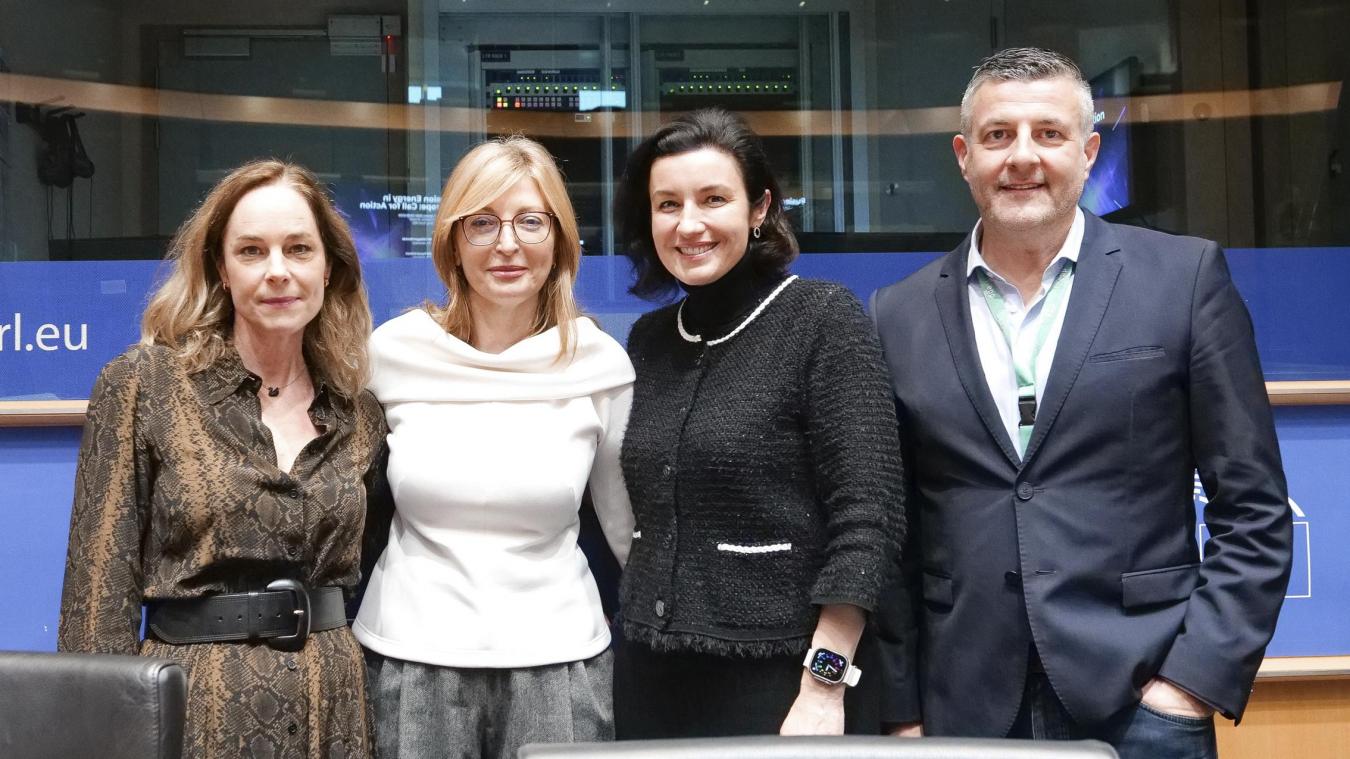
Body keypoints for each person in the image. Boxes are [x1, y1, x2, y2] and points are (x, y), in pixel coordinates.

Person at [871, 48, 1293, 759]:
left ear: (1089, 151)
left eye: (1050, 133)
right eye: (998, 135)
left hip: (1141, 702)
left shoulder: (1183, 279)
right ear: (963, 156)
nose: (1022, 157)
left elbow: (1253, 508)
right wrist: (900, 709)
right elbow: (891, 531)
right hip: (961, 706)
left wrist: (1188, 684)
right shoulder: (897, 313)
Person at [58, 159, 387, 757]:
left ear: (330, 266)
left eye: (299, 249)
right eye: (253, 251)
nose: (278, 272)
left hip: (333, 704)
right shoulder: (145, 385)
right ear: (220, 267)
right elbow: (95, 601)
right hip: (194, 707)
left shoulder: (359, 412)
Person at [612, 107, 904, 738]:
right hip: (651, 675)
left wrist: (825, 682)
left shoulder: (823, 319)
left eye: (713, 199)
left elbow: (868, 517)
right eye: (667, 205)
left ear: (758, 208)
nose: (688, 224)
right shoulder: (648, 339)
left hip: (784, 679)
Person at [352, 136, 635, 759]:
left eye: (530, 222)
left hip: (558, 662)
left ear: (560, 239)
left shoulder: (601, 364)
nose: (507, 244)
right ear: (453, 241)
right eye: (482, 223)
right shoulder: (393, 354)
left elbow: (627, 535)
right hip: (410, 657)